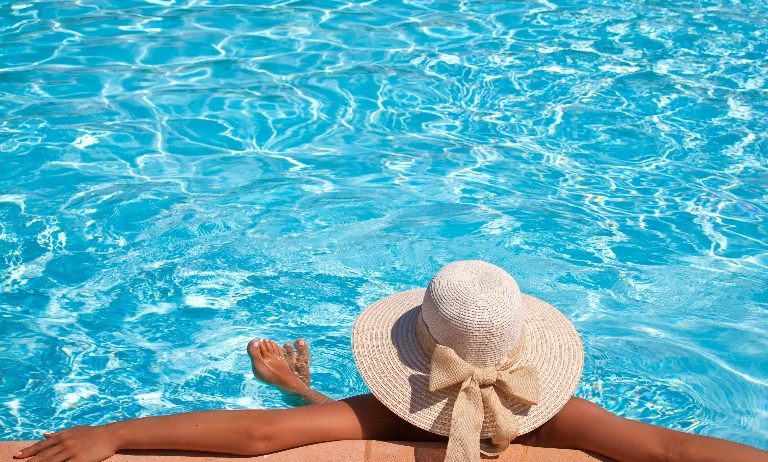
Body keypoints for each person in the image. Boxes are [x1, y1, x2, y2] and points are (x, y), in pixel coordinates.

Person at [14, 261, 768, 462]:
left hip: (369, 420)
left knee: (346, 423)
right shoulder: (557, 418)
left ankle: (292, 386)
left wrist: (115, 434)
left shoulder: (383, 410)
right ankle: (295, 386)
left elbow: (255, 440)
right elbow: (672, 449)